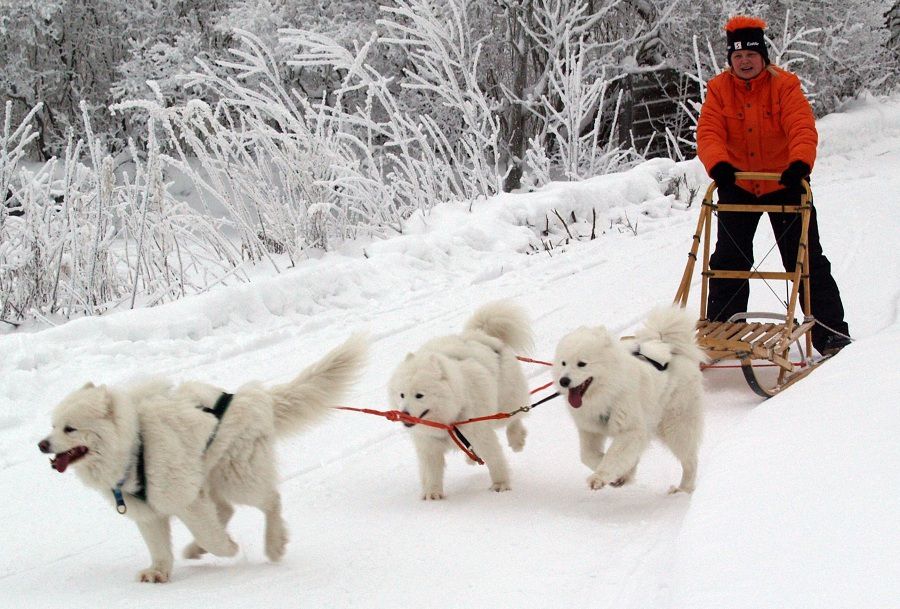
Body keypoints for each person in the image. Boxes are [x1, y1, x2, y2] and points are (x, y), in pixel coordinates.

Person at [696, 15, 851, 356]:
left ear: (763, 56)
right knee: (728, 261)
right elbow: (709, 132)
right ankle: (724, 330)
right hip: (737, 183)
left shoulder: (785, 86)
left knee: (805, 260)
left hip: (785, 181)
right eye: (737, 57)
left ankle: (830, 333)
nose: (745, 61)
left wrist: (799, 164)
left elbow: (801, 127)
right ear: (730, 60)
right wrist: (717, 164)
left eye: (751, 54)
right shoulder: (719, 90)